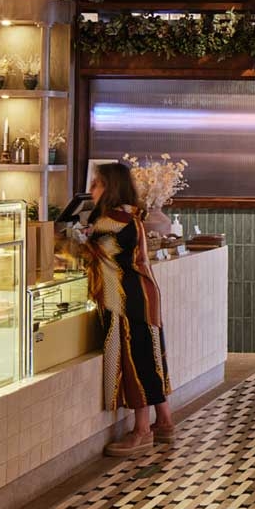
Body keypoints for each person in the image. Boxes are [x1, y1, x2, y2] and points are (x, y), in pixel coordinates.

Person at [79, 161, 173, 459]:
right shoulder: (131, 215)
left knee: (135, 362)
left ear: (110, 187)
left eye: (96, 184)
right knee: (151, 354)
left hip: (123, 300)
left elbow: (78, 252)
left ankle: (141, 431)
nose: (91, 190)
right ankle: (165, 421)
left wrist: (66, 239)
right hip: (143, 295)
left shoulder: (110, 221)